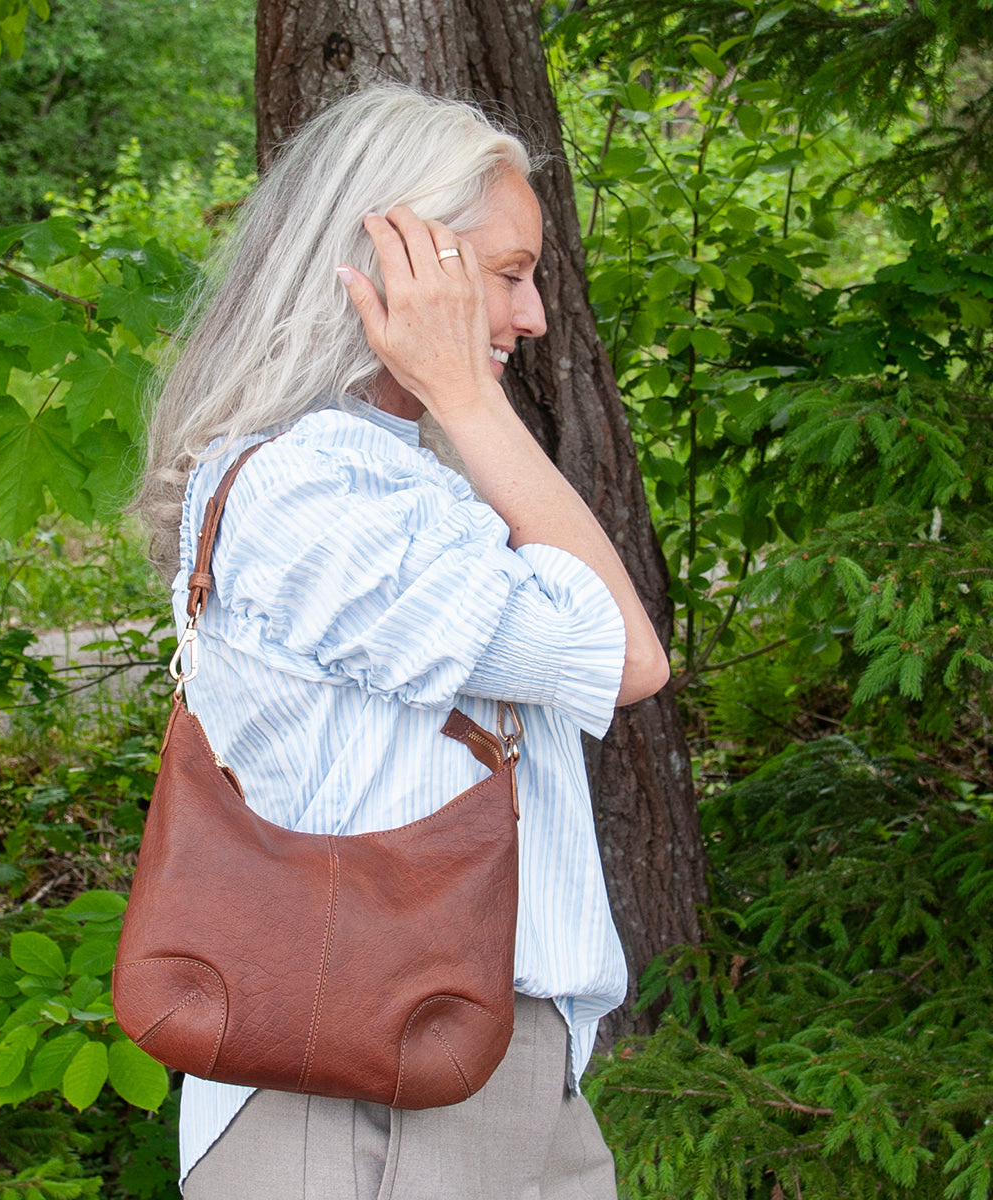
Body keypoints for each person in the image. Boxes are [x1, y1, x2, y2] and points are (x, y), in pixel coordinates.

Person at [134, 84, 669, 1200]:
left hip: (478, 1065)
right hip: (362, 1088)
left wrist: (461, 412)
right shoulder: (311, 490)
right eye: (510, 273)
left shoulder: (397, 480)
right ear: (397, 263)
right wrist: (468, 398)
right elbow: (626, 658)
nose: (534, 316)